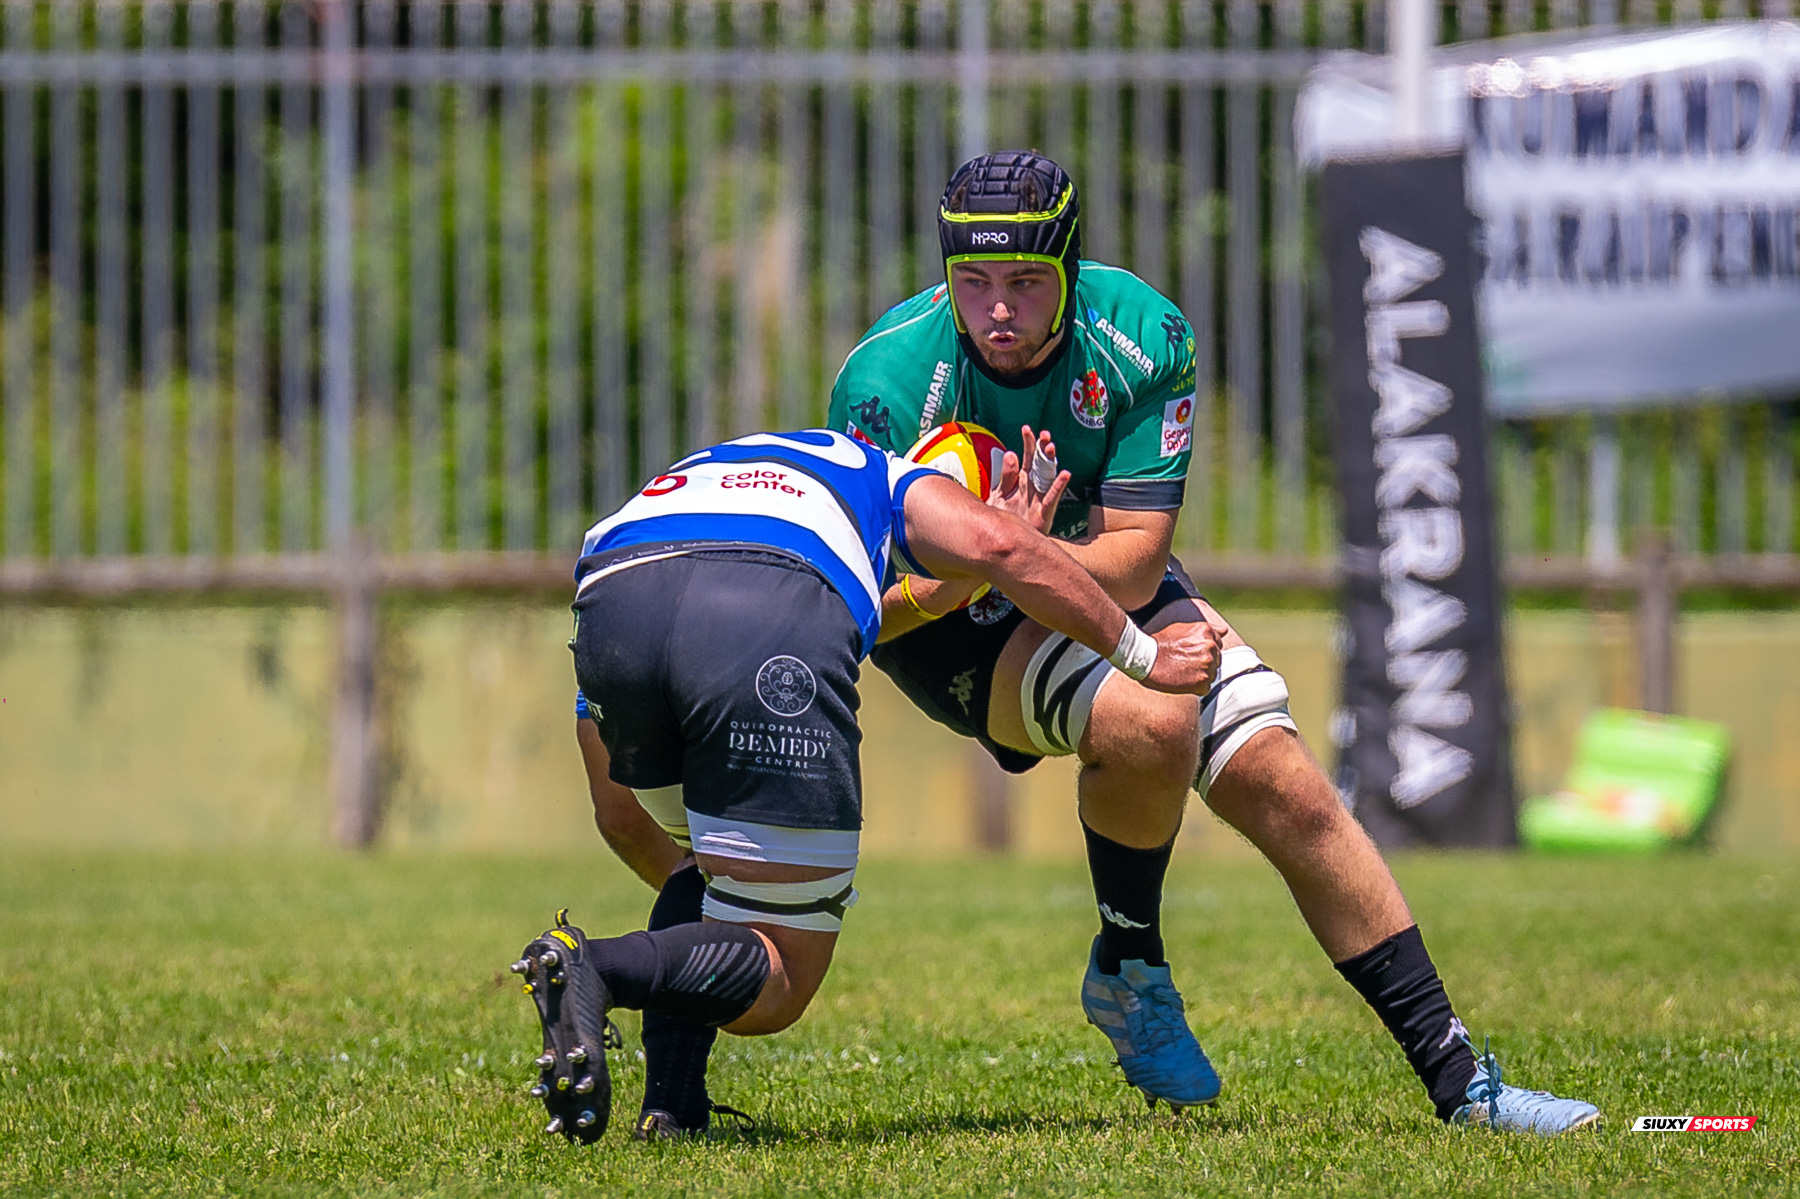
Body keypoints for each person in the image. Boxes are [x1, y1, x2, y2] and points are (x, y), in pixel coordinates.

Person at [583, 152, 1599, 1137]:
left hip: (1094, 575)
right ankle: (1133, 962)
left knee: (1287, 785)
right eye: (974, 283)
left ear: (1071, 272)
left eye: (1027, 283)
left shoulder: (1143, 339)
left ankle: (1455, 1080)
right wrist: (984, 565)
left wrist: (1025, 551)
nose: (998, 310)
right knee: (1153, 718)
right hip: (948, 618)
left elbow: (1138, 561)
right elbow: (859, 605)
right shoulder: (885, 378)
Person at [519, 427, 1224, 1142]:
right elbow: (1000, 546)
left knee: (708, 868)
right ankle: (594, 966)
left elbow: (619, 812)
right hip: (765, 607)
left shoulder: (742, 470)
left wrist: (714, 897)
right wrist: (1146, 656)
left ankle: (672, 1108)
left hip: (614, 597)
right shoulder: (890, 479)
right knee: (781, 970)